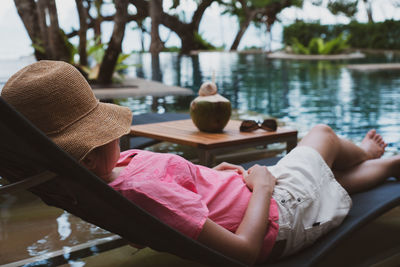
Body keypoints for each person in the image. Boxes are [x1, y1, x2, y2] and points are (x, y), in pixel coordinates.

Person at [2, 61, 399, 265]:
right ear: (88, 158)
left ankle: (391, 165)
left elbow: (171, 201)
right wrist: (261, 186)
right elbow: (243, 252)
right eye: (107, 133)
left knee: (333, 179)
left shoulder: (110, 176)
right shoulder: (142, 193)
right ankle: (369, 152)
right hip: (278, 215)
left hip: (263, 200)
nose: (119, 135)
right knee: (324, 135)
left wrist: (212, 177)